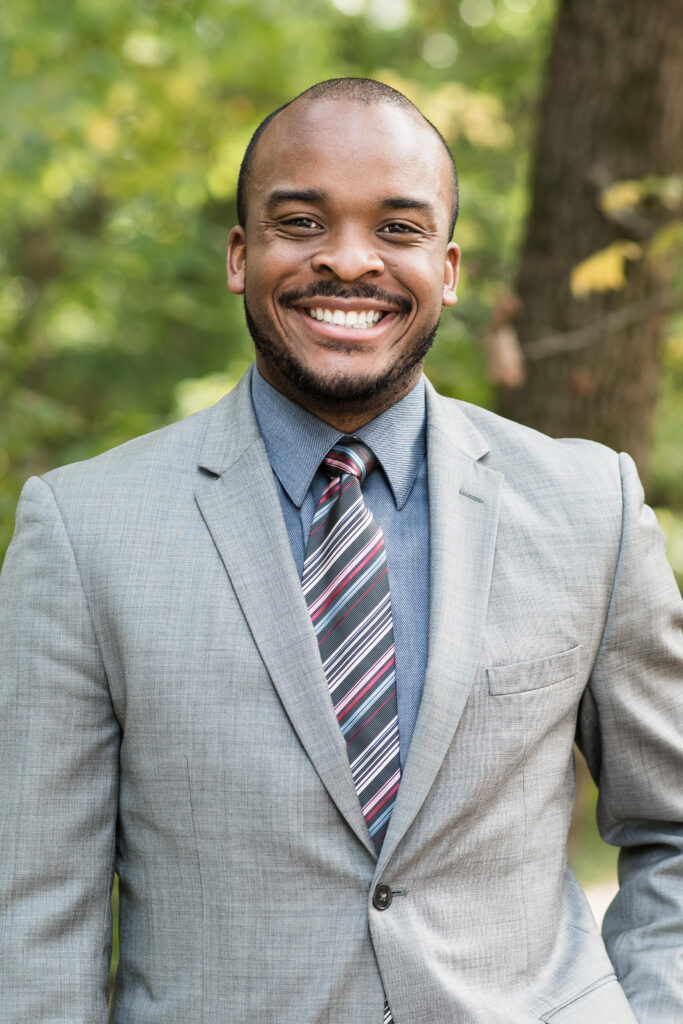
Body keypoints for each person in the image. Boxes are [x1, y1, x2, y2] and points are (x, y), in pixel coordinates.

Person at [0, 77, 681, 1024]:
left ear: (447, 269)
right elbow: (34, 918)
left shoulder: (586, 507)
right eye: (300, 222)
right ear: (241, 255)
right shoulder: (82, 533)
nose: (349, 261)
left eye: (397, 230)